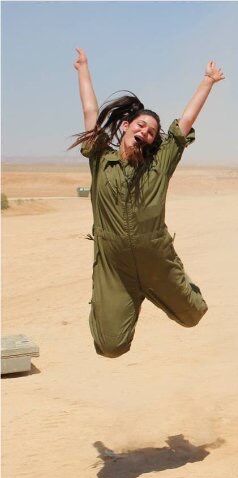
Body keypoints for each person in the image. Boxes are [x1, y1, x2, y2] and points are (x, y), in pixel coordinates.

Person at [70, 48, 224, 358]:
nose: (146, 132)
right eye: (141, 126)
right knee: (110, 347)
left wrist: (207, 81)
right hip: (115, 268)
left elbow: (184, 123)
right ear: (125, 126)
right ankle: (116, 301)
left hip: (157, 261)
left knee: (194, 315)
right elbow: (90, 111)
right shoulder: (100, 158)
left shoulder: (159, 165)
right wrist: (83, 69)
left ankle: (161, 288)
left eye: (152, 132)